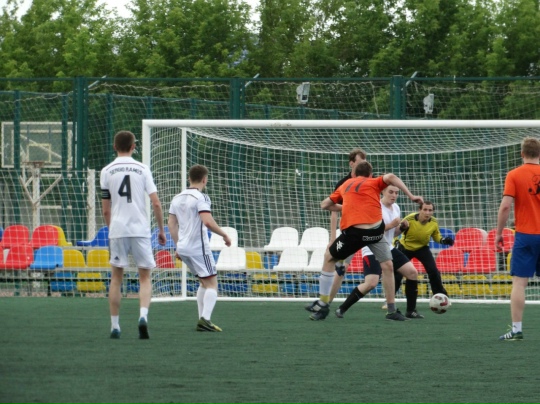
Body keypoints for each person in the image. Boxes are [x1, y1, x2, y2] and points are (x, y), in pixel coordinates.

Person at [308, 161, 424, 320]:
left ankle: (323, 303)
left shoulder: (345, 184)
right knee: (388, 265)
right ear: (371, 174)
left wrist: (346, 207)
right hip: (375, 232)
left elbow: (325, 205)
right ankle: (391, 310)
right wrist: (411, 196)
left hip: (354, 233)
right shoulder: (374, 182)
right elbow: (390, 176)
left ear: (354, 174)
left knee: (329, 257)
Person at [101, 130, 166, 340]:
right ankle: (143, 316)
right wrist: (161, 230)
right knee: (145, 277)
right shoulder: (142, 169)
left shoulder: (106, 171)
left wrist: (112, 229)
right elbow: (156, 203)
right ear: (133, 147)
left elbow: (105, 210)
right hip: (140, 230)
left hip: (118, 229)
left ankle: (115, 326)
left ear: (114, 147)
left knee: (116, 278)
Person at [335, 185, 424, 319]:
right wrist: (392, 225)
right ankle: (342, 308)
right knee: (371, 283)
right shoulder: (375, 207)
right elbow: (371, 231)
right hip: (372, 249)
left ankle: (411, 311)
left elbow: (392, 234)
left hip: (388, 247)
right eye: (391, 192)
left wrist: (402, 228)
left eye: (396, 193)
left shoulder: (396, 207)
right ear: (383, 192)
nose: (394, 195)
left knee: (412, 273)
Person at [168, 164, 231, 332]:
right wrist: (224, 235)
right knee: (212, 284)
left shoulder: (176, 198)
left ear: (189, 178)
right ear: (205, 179)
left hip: (183, 247)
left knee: (204, 282)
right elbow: (207, 222)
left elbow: (171, 224)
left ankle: (202, 319)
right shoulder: (201, 198)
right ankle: (206, 319)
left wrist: (178, 245)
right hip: (198, 247)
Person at [497, 137, 540, 341]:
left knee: (519, 283)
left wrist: (499, 233)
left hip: (526, 235)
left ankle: (516, 330)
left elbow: (506, 206)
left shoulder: (514, 174)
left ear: (522, 153)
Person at [396, 201, 454, 297]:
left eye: (430, 210)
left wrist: (443, 240)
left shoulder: (434, 222)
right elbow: (396, 231)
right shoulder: (410, 219)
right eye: (425, 209)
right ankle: (390, 298)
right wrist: (396, 243)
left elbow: (436, 236)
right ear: (420, 210)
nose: (427, 212)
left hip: (422, 248)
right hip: (406, 247)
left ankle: (440, 296)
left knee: (433, 271)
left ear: (433, 212)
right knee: (398, 272)